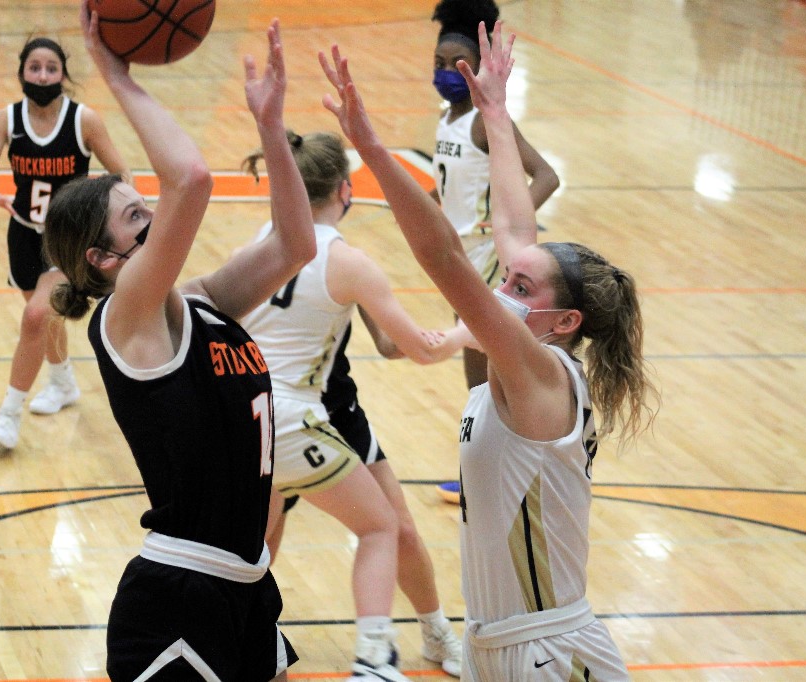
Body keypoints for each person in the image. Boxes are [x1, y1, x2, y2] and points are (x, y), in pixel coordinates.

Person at [320, 20, 657, 681]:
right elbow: (511, 224)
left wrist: (373, 152)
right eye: (504, 279)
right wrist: (496, 115)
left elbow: (445, 255)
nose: (501, 291)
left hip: (549, 652)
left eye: (519, 286)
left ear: (563, 321)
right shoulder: (534, 348)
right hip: (496, 642)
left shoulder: (539, 371)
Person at [43, 7, 315, 681]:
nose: (156, 216)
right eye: (137, 214)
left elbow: (296, 244)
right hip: (180, 591)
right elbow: (191, 178)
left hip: (248, 582)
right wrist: (114, 72)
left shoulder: (198, 305)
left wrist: (271, 127)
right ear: (102, 258)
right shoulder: (125, 323)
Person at [240, 130, 473, 680]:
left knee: (390, 530)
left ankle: (435, 634)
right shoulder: (344, 260)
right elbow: (412, 347)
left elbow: (389, 344)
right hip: (300, 410)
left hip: (276, 410)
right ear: (345, 190)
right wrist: (475, 328)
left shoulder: (251, 249)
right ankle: (372, 655)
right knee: (372, 528)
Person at [0, 34, 131, 450]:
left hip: (67, 240)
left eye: (51, 68)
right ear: (22, 73)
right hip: (23, 232)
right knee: (44, 317)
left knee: (35, 317)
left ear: (63, 75)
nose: (42, 75)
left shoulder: (84, 121)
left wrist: (101, 214)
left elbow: (122, 174)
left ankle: (8, 415)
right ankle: (63, 383)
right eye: (35, 67)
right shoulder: (6, 119)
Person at [430, 0, 560, 504]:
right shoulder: (448, 117)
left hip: (490, 262)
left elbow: (546, 175)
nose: (446, 72)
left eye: (456, 64)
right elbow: (453, 186)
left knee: (488, 376)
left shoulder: (484, 122)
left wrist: (508, 220)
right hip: (460, 261)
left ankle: (493, 474)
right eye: (438, 63)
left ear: (476, 68)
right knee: (479, 377)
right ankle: (491, 470)